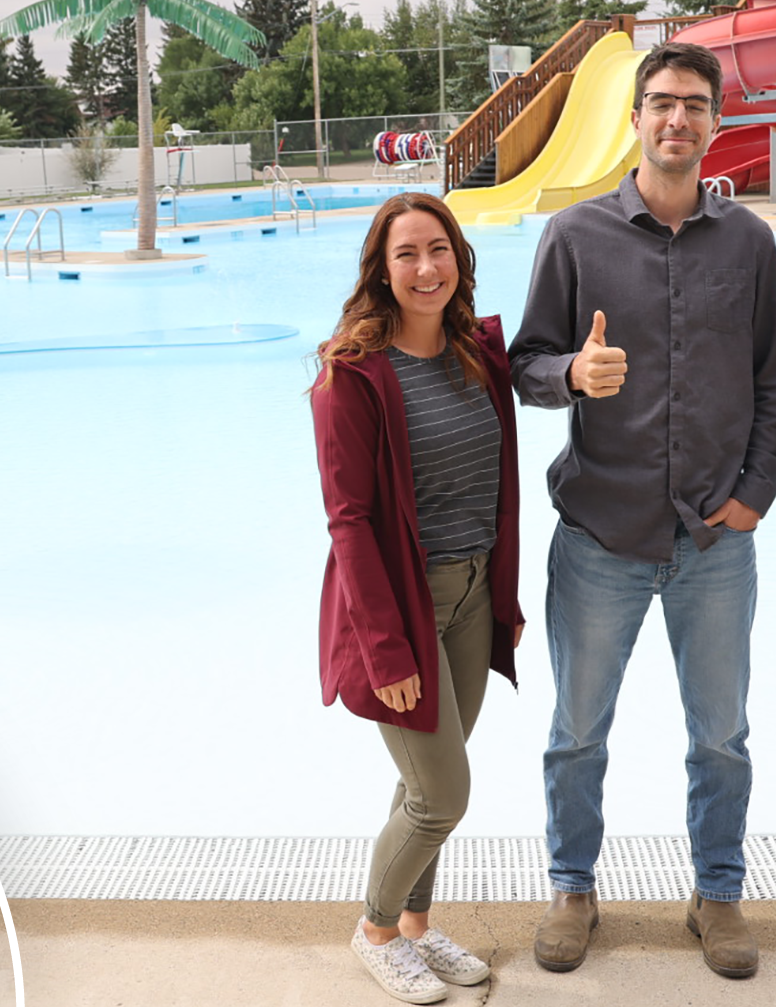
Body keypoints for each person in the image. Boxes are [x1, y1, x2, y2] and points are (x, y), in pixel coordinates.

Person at [509, 40, 776, 979]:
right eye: (662, 102)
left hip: (717, 537)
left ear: (715, 122)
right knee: (578, 732)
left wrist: (756, 496)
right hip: (602, 533)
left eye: (695, 105)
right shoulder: (574, 236)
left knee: (721, 737)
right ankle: (571, 886)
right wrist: (570, 374)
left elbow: (773, 381)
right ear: (635, 118)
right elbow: (524, 364)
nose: (678, 119)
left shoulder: (750, 243)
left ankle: (718, 895)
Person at [311, 192, 526, 1005]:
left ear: (459, 258)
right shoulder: (353, 374)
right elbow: (350, 521)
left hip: (473, 592)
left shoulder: (478, 355)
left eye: (438, 249)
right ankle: (374, 929)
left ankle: (414, 925)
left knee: (430, 784)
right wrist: (387, 649)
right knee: (442, 794)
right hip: (404, 607)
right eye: (407, 254)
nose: (426, 267)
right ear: (383, 268)